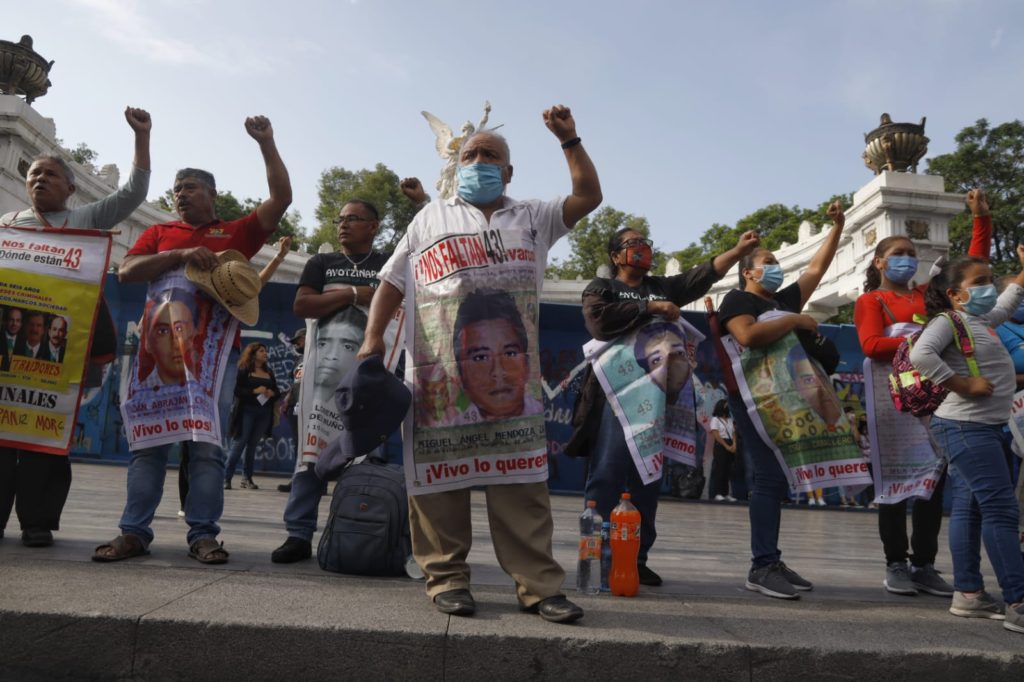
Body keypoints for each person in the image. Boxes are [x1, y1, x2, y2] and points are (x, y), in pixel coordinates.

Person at [358, 105, 602, 623]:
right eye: (470, 154)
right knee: (438, 486)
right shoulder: (430, 217)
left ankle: (538, 587)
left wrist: (569, 140)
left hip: (515, 383)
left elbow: (588, 197)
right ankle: (446, 579)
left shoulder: (534, 216)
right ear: (457, 164)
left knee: (522, 488)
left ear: (508, 171)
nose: (479, 161)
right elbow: (392, 282)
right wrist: (372, 339)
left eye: (491, 155)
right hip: (437, 379)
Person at [93, 115, 291, 564]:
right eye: (177, 188)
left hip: (213, 363)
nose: (180, 194)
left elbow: (281, 199)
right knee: (148, 446)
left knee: (206, 448)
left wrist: (266, 143)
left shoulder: (235, 233)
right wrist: (180, 254)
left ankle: (203, 535)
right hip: (156, 359)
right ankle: (134, 531)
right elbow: (126, 272)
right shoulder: (159, 233)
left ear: (212, 196)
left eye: (190, 188)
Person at [0, 106, 152, 549]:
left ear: (71, 187)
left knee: (46, 435)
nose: (38, 179)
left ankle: (37, 522)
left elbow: (133, 193)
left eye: (49, 174)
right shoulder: (7, 227)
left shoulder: (83, 222)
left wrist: (141, 137)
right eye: (32, 173)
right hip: (9, 347)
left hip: (62, 346)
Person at [571, 227, 758, 585]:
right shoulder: (602, 289)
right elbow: (598, 321)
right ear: (615, 256)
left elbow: (700, 276)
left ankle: (636, 558)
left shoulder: (662, 285)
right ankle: (597, 558)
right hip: (616, 396)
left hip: (657, 397)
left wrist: (738, 249)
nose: (641, 248)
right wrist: (650, 307)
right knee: (608, 472)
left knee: (647, 475)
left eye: (645, 243)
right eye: (632, 244)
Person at [853, 188, 993, 597]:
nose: (907, 258)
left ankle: (925, 564)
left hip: (933, 400)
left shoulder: (927, 297)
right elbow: (870, 345)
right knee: (894, 486)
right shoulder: (871, 300)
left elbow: (970, 268)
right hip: (891, 404)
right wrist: (921, 343)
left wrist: (980, 220)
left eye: (911, 253)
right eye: (897, 252)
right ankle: (895, 562)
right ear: (879, 262)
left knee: (932, 481)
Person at [271, 193, 416, 564]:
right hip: (321, 380)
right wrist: (355, 294)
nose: (343, 225)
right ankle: (298, 534)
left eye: (352, 218)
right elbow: (304, 305)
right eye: (340, 219)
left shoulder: (387, 264)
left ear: (373, 226)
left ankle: (360, 532)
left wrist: (419, 203)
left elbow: (415, 259)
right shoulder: (323, 263)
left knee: (368, 457)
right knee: (310, 456)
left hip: (371, 379)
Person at [718, 199, 846, 600]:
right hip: (757, 400)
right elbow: (747, 336)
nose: (777, 267)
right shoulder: (740, 301)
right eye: (769, 261)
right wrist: (796, 320)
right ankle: (761, 566)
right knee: (768, 479)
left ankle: (771, 559)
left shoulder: (780, 301)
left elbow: (816, 269)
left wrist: (838, 228)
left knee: (777, 480)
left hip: (786, 398)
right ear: (748, 272)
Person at [909, 248, 1024, 634]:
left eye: (990, 280)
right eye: (979, 282)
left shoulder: (979, 319)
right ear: (956, 294)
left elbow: (1005, 305)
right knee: (1002, 510)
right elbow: (920, 354)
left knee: (971, 509)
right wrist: (962, 383)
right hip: (966, 428)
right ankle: (1018, 601)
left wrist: (1023, 274)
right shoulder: (949, 321)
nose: (989, 287)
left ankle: (970, 595)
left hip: (980, 427)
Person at [452, 287, 538, 422]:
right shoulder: (453, 431)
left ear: (526, 365)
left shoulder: (544, 420)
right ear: (461, 375)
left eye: (509, 353)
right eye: (481, 357)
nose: (498, 372)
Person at [224, 343, 279, 490]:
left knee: (252, 445)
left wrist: (272, 393)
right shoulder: (244, 370)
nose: (265, 353)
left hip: (264, 413)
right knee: (239, 443)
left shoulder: (269, 372)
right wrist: (254, 391)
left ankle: (246, 478)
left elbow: (277, 391)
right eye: (262, 351)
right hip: (246, 411)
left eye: (266, 350)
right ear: (253, 354)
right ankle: (226, 477)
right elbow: (237, 390)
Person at [139, 298, 197, 387]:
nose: (175, 343)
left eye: (179, 329)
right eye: (163, 331)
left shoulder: (206, 390)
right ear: (148, 343)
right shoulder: (139, 396)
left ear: (191, 337)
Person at [277, 328, 306, 494]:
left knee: (310, 446)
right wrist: (287, 399)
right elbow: (295, 382)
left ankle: (311, 482)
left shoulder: (317, 355)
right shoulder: (299, 359)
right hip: (295, 407)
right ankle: (298, 479)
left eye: (299, 340)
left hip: (311, 407)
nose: (296, 344)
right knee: (298, 445)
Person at [709, 399, 738, 502]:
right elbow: (716, 434)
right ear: (721, 406)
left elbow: (734, 433)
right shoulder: (715, 419)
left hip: (730, 443)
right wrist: (726, 446)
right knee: (720, 469)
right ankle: (718, 493)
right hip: (721, 445)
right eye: (726, 405)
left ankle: (726, 493)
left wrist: (734, 444)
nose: (728, 407)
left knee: (728, 470)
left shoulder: (730, 419)